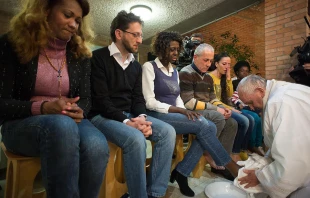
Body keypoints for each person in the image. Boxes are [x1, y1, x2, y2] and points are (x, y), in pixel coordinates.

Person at [0, 0, 109, 197]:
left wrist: (79, 110)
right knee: (62, 127)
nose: (74, 25)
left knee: (97, 146)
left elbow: (85, 98)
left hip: (67, 118)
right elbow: (2, 103)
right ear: (45, 11)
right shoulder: (11, 44)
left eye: (78, 20)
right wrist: (43, 107)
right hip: (21, 122)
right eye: (67, 15)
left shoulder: (80, 54)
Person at [89, 11, 176, 198]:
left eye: (141, 35)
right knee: (136, 139)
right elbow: (101, 101)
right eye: (135, 34)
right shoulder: (97, 58)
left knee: (168, 132)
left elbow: (137, 98)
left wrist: (141, 118)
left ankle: (155, 193)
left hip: (128, 115)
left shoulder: (136, 66)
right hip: (101, 116)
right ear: (119, 34)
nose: (140, 39)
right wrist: (129, 123)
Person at [142, 32, 240, 196]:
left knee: (208, 126)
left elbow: (178, 98)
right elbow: (149, 101)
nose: (175, 53)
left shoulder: (174, 71)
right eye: (171, 49)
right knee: (205, 125)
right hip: (157, 114)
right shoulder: (149, 67)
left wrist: (185, 111)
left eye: (177, 49)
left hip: (176, 113)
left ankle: (182, 172)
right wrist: (180, 110)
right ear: (161, 48)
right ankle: (228, 164)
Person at [237, 75, 310, 198]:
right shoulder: (281, 92)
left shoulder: (280, 103)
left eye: (250, 102)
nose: (251, 108)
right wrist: (265, 161)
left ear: (260, 91)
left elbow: (293, 162)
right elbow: (282, 142)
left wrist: (261, 176)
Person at [179, 43, 239, 178]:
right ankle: (209, 153)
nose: (208, 64)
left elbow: (212, 98)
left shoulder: (207, 76)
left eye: (211, 60)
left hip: (206, 109)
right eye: (205, 60)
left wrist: (223, 108)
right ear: (195, 57)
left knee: (232, 123)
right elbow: (188, 103)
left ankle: (222, 160)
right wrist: (217, 109)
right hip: (190, 111)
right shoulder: (186, 72)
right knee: (217, 117)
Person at [208, 53, 253, 162]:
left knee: (250, 119)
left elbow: (230, 95)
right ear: (216, 64)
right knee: (244, 121)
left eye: (229, 64)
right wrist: (231, 108)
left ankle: (240, 150)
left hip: (225, 106)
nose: (227, 67)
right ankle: (234, 152)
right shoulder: (209, 77)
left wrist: (228, 78)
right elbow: (212, 100)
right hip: (214, 107)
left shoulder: (224, 78)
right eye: (224, 64)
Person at [232, 61, 264, 156]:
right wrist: (239, 104)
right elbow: (233, 98)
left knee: (260, 119)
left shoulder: (250, 83)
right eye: (242, 71)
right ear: (237, 72)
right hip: (243, 107)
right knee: (255, 118)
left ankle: (258, 144)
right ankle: (252, 144)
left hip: (252, 107)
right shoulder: (236, 83)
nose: (245, 73)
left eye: (247, 71)